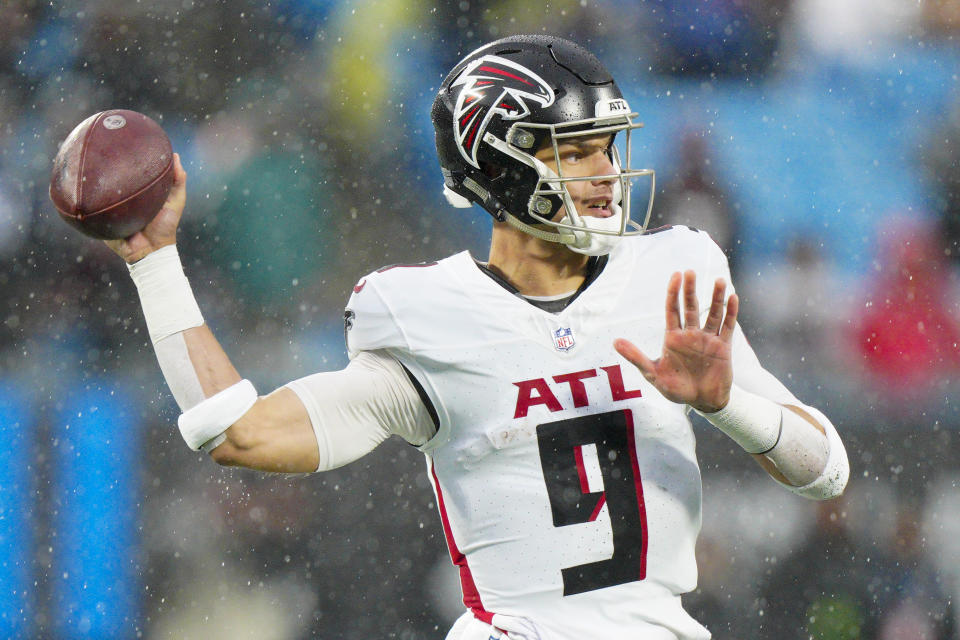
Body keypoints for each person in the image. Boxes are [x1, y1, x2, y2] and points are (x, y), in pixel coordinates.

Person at [106, 35, 848, 640]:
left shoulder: (671, 273)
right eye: (575, 150)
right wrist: (155, 264)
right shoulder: (431, 318)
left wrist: (726, 406)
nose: (606, 174)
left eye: (608, 147)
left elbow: (827, 470)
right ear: (499, 161)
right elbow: (237, 433)